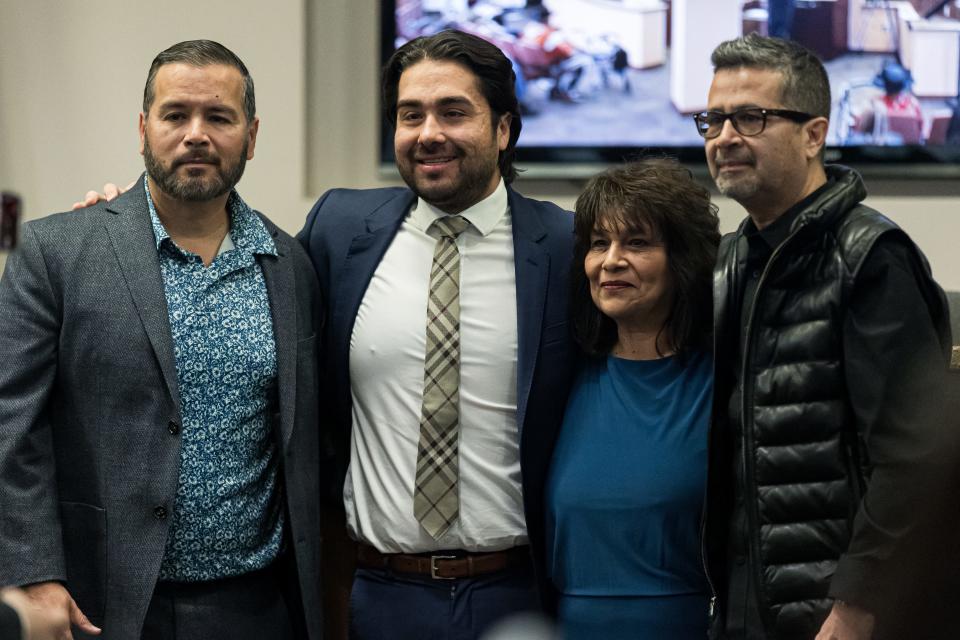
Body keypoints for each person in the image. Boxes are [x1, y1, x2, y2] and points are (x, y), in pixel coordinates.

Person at [0, 40, 322, 639]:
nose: (195, 134)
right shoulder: (58, 253)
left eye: (219, 117)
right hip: (102, 603)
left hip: (258, 607)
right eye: (176, 115)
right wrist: (33, 571)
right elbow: (9, 425)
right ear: (143, 129)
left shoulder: (289, 264)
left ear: (251, 136)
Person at [297, 29, 576, 640]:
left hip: (519, 592)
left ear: (504, 130)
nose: (428, 134)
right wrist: (128, 220)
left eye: (454, 112)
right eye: (410, 115)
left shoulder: (565, 246)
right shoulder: (338, 230)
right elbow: (236, 269)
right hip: (379, 593)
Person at [694, 34, 954, 640]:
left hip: (836, 614)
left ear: (813, 135)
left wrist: (858, 605)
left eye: (751, 117)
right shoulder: (733, 257)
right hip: (749, 599)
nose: (724, 137)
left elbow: (916, 458)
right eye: (713, 119)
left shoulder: (870, 257)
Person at [542, 159, 719, 638]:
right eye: (600, 243)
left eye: (636, 242)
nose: (611, 260)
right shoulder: (557, 376)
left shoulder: (726, 383)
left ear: (681, 259)